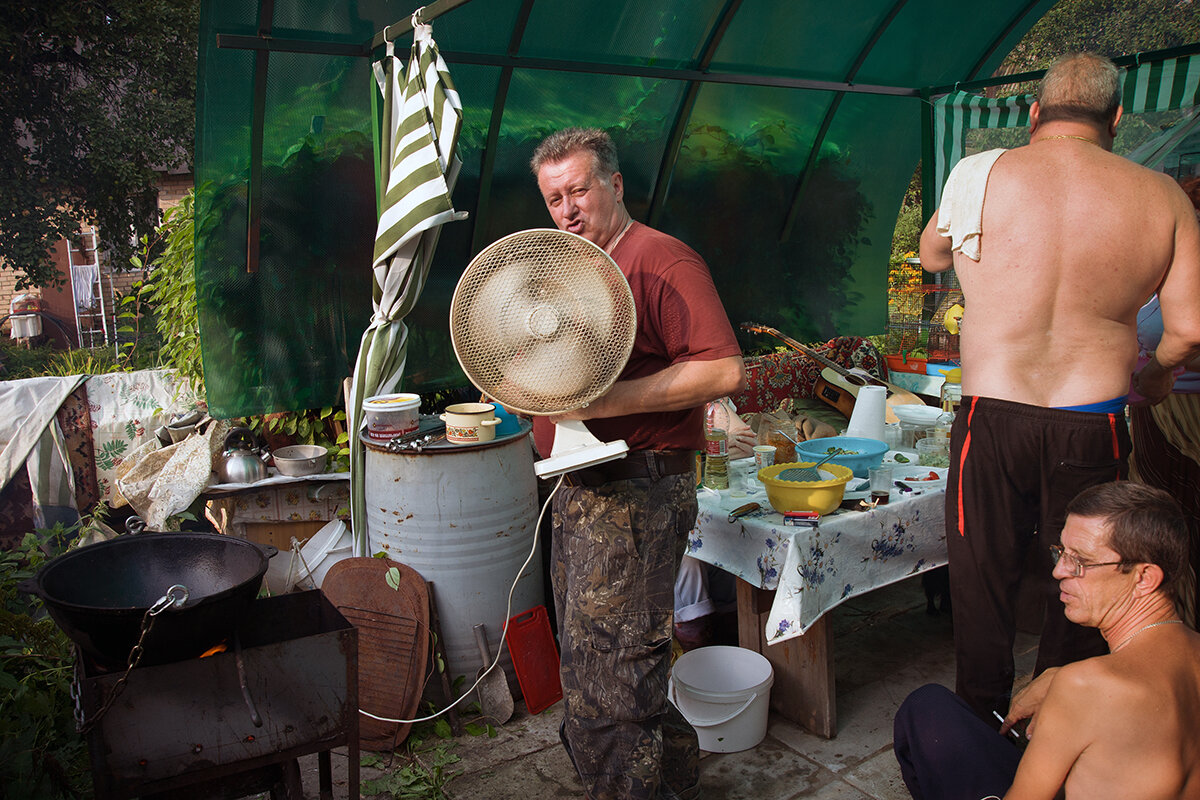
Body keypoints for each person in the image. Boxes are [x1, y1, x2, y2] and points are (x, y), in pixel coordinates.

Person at [918, 52, 1200, 719]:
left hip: (990, 415)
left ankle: (981, 721)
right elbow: (1188, 330)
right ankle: (1055, 721)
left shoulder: (978, 174)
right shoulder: (1160, 195)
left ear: (1036, 112)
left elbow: (931, 255)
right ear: (1117, 119)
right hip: (1093, 418)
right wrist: (1155, 378)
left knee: (981, 575)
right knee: (1083, 577)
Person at [529, 127, 746, 800]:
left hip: (637, 492)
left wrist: (609, 398)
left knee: (617, 674)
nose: (566, 210)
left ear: (615, 185)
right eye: (553, 197)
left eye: (579, 191)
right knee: (598, 662)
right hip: (580, 486)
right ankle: (672, 781)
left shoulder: (659, 261)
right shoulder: (570, 271)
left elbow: (722, 369)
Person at [893, 481, 1200, 800]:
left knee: (925, 708)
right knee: (933, 707)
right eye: (1061, 552)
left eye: (1080, 561)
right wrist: (1056, 679)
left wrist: (1068, 686)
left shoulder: (1085, 689)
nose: (1059, 571)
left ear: (1144, 578)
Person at [1129, 176, 1200, 629]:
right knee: (1155, 523)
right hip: (1149, 412)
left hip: (1184, 413)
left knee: (1183, 521)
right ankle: (1161, 628)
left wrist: (1155, 373)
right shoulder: (1160, 269)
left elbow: (1186, 335)